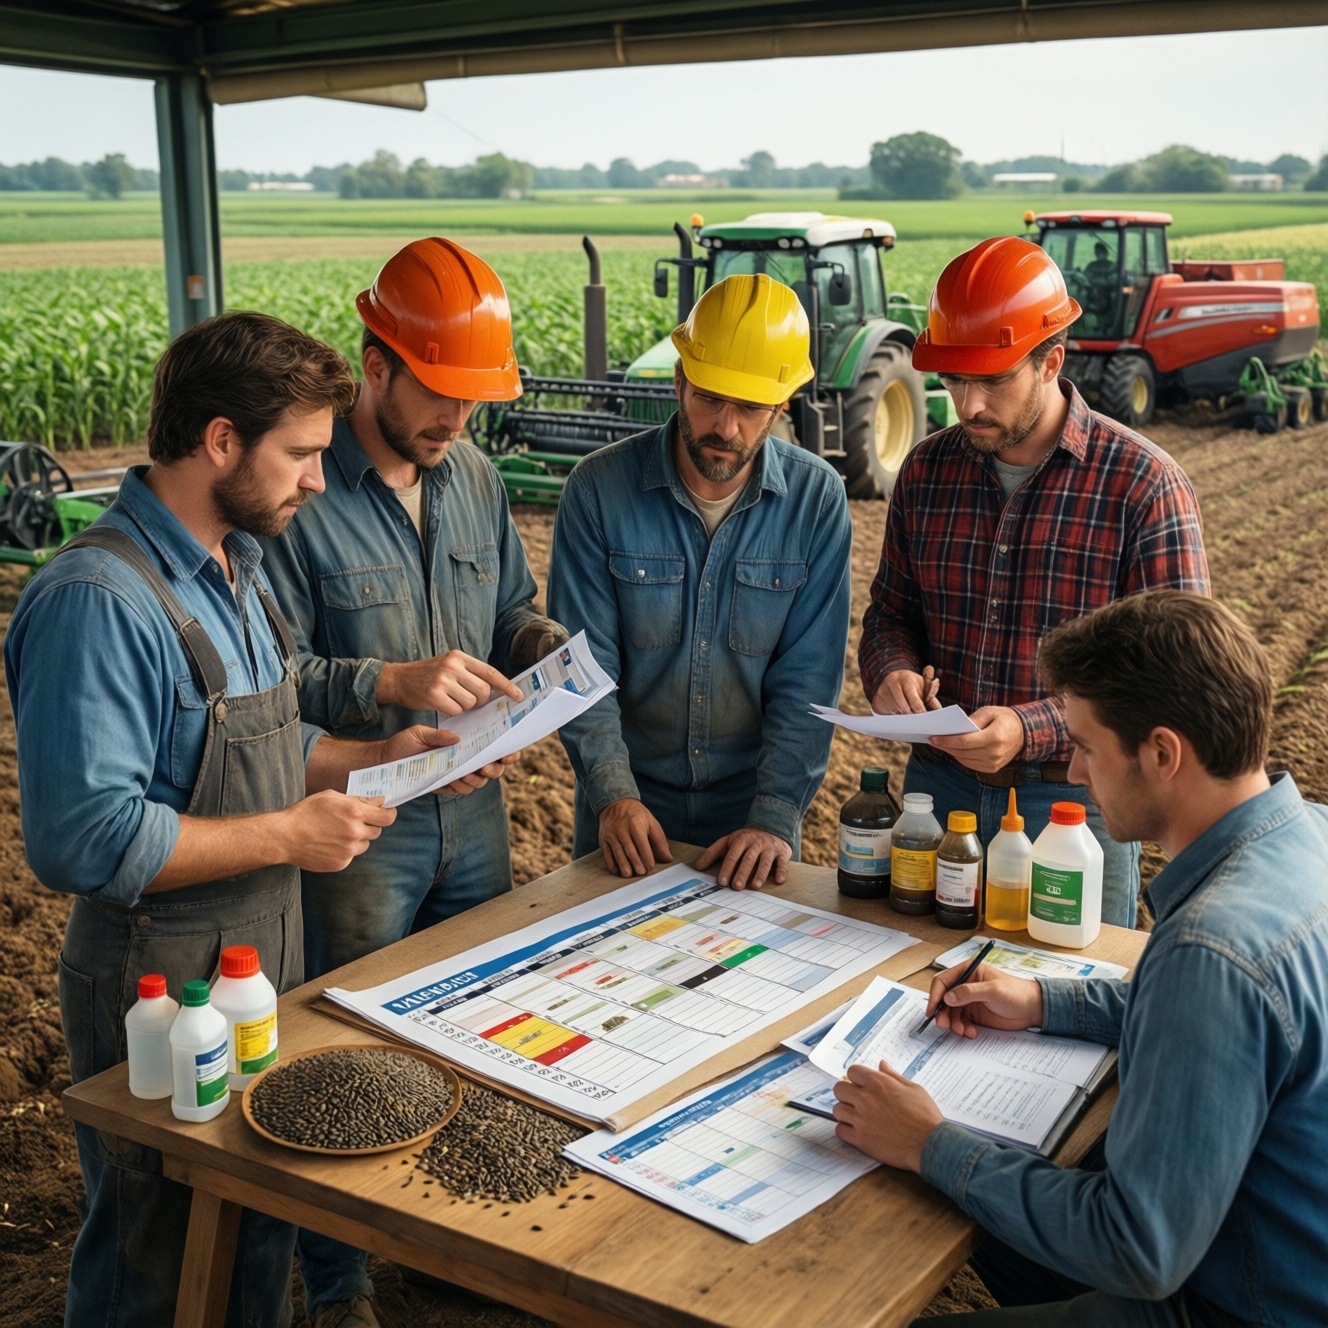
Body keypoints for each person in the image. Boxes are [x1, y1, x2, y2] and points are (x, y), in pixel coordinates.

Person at [4, 311, 491, 1328]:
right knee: (159, 1249)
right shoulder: (100, 598)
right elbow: (83, 836)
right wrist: (286, 835)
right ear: (220, 440)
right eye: (302, 453)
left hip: (259, 961)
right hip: (161, 980)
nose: (318, 480)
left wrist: (373, 761)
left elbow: (267, 746)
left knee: (252, 1239)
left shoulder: (239, 568)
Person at [835, 590, 1328, 1327]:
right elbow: (1224, 1024)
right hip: (1263, 1257)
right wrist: (1044, 1002)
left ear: (1163, 753)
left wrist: (932, 1143)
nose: (1072, 774)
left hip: (1229, 1302)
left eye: (1087, 747)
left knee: (949, 1187)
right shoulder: (1305, 834)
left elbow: (1137, 1249)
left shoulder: (1211, 950)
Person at [258, 237, 562, 1327]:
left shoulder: (471, 475)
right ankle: (339, 1288)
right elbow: (269, 680)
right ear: (375, 362)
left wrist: (539, 650)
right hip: (360, 827)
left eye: (475, 402)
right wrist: (390, 677)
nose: (456, 422)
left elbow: (508, 608)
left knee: (477, 1032)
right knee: (343, 1061)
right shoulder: (298, 486)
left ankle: (452, 1256)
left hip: (471, 815)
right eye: (441, 393)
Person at [859, 235, 1209, 927]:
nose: (968, 405)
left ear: (1052, 360)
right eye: (955, 380)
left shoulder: (1142, 485)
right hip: (939, 796)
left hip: (1075, 804)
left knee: (1068, 999)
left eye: (992, 380)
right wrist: (891, 671)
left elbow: (1181, 682)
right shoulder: (927, 473)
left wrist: (1032, 727)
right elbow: (889, 614)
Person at [547, 273, 852, 891]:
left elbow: (808, 679)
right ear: (680, 381)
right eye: (711, 397)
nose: (727, 427)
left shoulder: (817, 499)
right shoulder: (598, 489)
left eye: (750, 408)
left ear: (781, 407)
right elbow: (582, 665)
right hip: (625, 811)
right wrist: (611, 795)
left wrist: (773, 816)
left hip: (749, 817)